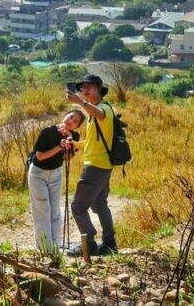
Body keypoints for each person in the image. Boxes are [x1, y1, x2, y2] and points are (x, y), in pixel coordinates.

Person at [66, 74, 119, 256]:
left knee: (78, 206)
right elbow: (92, 139)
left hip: (96, 166)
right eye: (82, 88)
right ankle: (109, 243)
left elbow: (101, 115)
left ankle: (89, 243)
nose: (85, 90)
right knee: (100, 204)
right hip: (102, 165)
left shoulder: (104, 108)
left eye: (89, 87)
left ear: (99, 88)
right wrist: (76, 145)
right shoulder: (92, 113)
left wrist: (80, 102)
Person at [28, 109, 84, 254]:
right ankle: (45, 249)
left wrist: (69, 141)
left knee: (54, 211)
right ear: (65, 115)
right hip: (38, 174)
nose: (71, 121)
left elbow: (68, 158)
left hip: (56, 174)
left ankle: (55, 246)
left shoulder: (74, 137)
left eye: (75, 121)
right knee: (42, 210)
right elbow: (39, 156)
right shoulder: (48, 131)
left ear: (77, 127)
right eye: (71, 117)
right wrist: (59, 146)